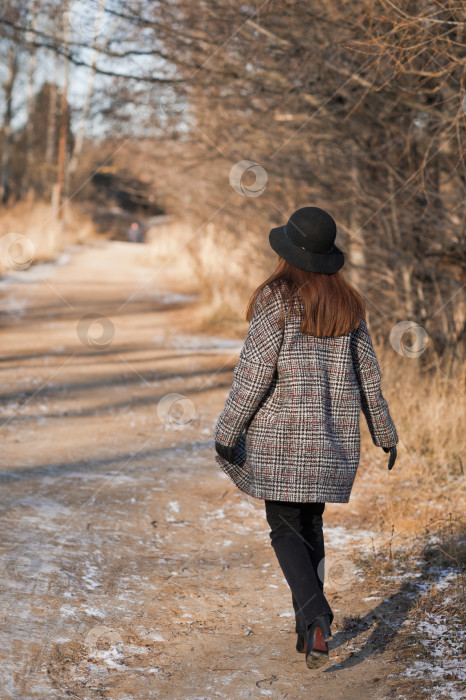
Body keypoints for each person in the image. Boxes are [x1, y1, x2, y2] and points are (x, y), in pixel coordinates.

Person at [213, 206, 398, 670]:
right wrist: (384, 432)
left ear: (288, 252)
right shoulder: (349, 305)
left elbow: (254, 375)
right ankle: (308, 628)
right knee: (310, 526)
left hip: (281, 445)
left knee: (284, 529)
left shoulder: (276, 299)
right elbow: (369, 377)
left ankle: (315, 614)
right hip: (331, 445)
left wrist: (228, 431)